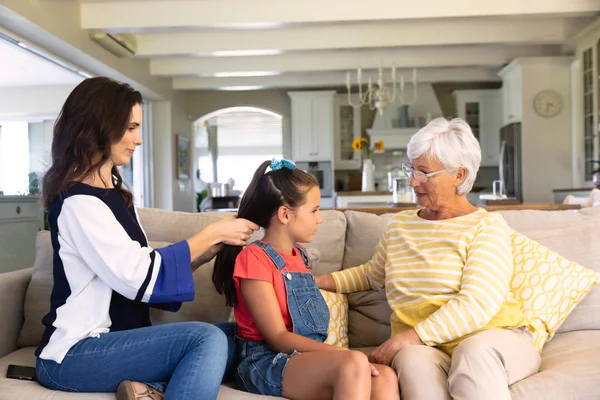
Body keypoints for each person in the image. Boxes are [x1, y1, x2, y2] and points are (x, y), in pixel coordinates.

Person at [36, 77, 259, 400]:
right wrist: (211, 232)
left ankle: (149, 391)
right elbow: (138, 275)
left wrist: (210, 249)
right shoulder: (79, 203)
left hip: (119, 341)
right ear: (98, 127)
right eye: (129, 128)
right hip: (76, 353)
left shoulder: (116, 198)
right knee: (206, 339)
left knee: (239, 336)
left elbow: (143, 271)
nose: (138, 139)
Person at [316, 118, 541, 400]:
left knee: (473, 354)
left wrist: (409, 337)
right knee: (411, 361)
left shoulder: (486, 227)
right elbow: (372, 275)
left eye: (424, 172)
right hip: (428, 348)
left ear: (459, 175)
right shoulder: (399, 226)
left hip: (494, 338)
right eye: (411, 169)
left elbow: (477, 304)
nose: (413, 181)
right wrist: (320, 281)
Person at [212, 159, 399, 400]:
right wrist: (339, 353)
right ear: (285, 214)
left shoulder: (300, 256)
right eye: (314, 210)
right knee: (352, 363)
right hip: (264, 362)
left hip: (302, 357)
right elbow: (277, 338)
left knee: (385, 376)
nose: (320, 218)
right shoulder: (254, 259)